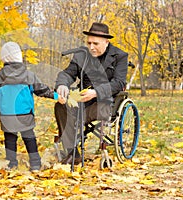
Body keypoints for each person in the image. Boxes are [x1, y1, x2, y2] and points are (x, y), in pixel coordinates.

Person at [54, 22, 129, 164]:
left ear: (106, 42)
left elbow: (119, 83)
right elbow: (67, 73)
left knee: (81, 113)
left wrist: (96, 92)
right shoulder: (82, 54)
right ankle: (72, 152)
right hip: (83, 97)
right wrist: (62, 84)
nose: (91, 47)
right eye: (89, 43)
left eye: (95, 43)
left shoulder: (120, 56)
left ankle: (74, 133)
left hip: (106, 101)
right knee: (60, 106)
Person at [0, 41, 65, 172]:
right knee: (29, 138)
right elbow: (42, 90)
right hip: (25, 114)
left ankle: (11, 164)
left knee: (10, 140)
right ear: (19, 57)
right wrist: (57, 96)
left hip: (6, 115)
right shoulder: (29, 76)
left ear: (3, 58)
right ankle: (35, 164)